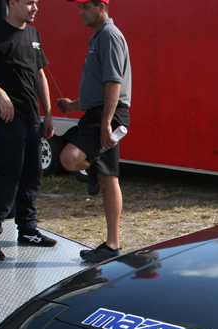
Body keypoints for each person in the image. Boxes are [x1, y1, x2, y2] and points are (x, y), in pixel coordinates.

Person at [0, 0, 57, 261]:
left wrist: (48, 113)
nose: (35, 7)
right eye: (30, 2)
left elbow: (40, 74)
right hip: (8, 116)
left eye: (37, 2)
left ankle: (27, 230)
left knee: (32, 173)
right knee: (9, 174)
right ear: (12, 3)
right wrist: (0, 94)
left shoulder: (33, 34)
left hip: (31, 116)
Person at [56, 0, 132, 264]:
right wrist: (73, 106)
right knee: (108, 179)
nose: (81, 12)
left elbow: (114, 83)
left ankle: (90, 172)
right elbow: (98, 89)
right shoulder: (98, 37)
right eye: (79, 7)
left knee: (69, 158)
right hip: (98, 112)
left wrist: (106, 123)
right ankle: (112, 246)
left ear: (102, 6)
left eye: (86, 7)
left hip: (108, 114)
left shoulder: (109, 35)